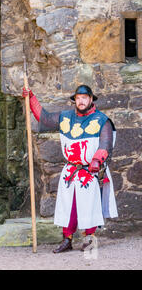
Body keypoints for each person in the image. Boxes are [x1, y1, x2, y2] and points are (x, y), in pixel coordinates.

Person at [22, 84, 118, 253]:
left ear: (90, 99)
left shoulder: (102, 120)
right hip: (70, 171)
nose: (81, 101)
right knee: (69, 206)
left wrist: (96, 160)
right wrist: (31, 98)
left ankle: (90, 239)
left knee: (89, 205)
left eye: (84, 98)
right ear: (74, 100)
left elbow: (106, 144)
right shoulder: (65, 117)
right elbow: (43, 118)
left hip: (88, 171)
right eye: (78, 98)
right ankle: (67, 240)